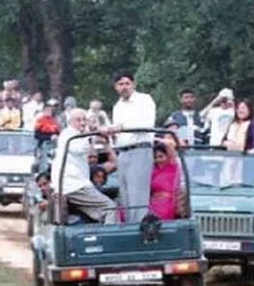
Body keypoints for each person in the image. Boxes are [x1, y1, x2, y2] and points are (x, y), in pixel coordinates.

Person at [51, 108, 116, 224]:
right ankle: (109, 239)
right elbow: (79, 149)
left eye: (84, 120)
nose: (82, 123)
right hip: (73, 186)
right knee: (110, 208)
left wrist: (102, 134)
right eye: (78, 120)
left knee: (101, 211)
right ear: (70, 122)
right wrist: (92, 133)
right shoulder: (69, 134)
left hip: (77, 185)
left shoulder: (80, 135)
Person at [111, 68, 156, 222]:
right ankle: (131, 229)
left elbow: (146, 123)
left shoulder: (144, 100)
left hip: (140, 149)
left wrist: (121, 127)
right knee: (126, 197)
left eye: (127, 83)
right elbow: (117, 133)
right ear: (116, 87)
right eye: (120, 84)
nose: (124, 87)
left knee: (138, 196)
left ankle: (139, 231)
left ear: (133, 84)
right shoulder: (117, 106)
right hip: (122, 152)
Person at [148, 140, 180, 220]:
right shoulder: (154, 172)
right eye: (155, 157)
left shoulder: (172, 167)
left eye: (161, 156)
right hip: (152, 205)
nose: (158, 160)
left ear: (167, 156)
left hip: (166, 205)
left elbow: (170, 146)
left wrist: (157, 139)